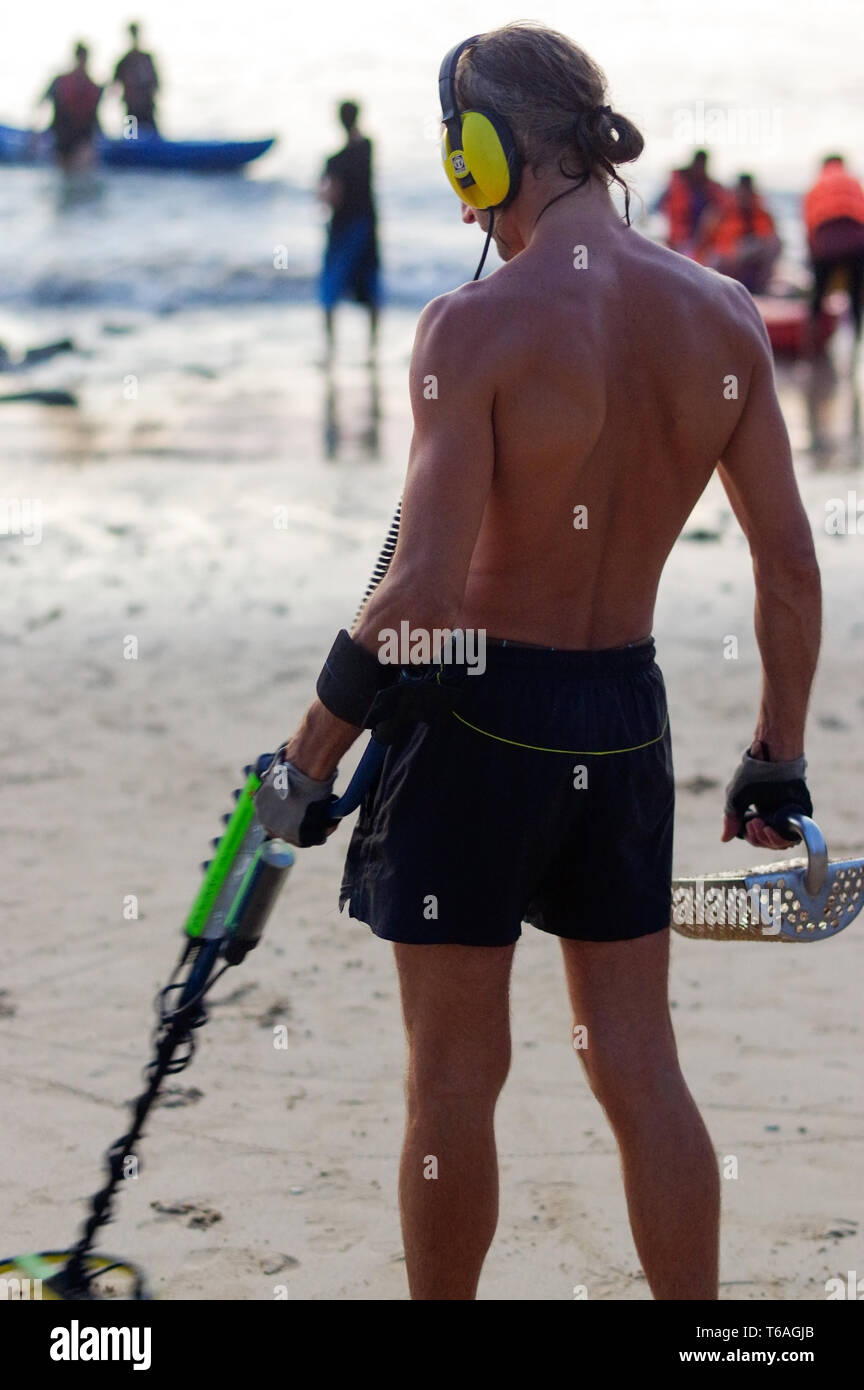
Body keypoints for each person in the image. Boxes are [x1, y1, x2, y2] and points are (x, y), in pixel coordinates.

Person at [256, 23, 821, 1300]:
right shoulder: (724, 315)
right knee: (638, 1062)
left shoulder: (478, 327)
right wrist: (776, 757)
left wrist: (303, 762)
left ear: (482, 155)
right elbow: (789, 569)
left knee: (455, 1081)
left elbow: (420, 593)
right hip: (624, 716)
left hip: (479, 726)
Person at [318, 100, 381, 354]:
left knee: (331, 287)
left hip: (343, 230)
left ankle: (330, 347)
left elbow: (332, 197)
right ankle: (372, 348)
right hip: (367, 226)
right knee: (370, 286)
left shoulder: (334, 161)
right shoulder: (367, 148)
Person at [803, 154, 864, 343]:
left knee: (818, 295)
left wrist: (813, 254)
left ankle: (810, 344)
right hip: (855, 242)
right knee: (855, 296)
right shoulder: (853, 182)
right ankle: (856, 344)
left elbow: (809, 222)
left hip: (826, 241)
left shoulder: (817, 185)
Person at [701, 173, 781, 294]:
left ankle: (760, 291)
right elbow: (705, 240)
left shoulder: (762, 214)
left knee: (775, 244)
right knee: (713, 262)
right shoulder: (720, 211)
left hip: (748, 259)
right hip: (722, 257)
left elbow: (770, 241)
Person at [39, 43, 103, 172]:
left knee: (77, 171)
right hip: (64, 135)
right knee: (69, 171)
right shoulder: (61, 82)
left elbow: (96, 116)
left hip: (82, 136)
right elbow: (42, 103)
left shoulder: (93, 87)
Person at [658, 148, 727, 257]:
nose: (701, 167)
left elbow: (724, 207)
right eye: (699, 163)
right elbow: (659, 206)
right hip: (678, 240)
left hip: (701, 242)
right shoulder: (676, 185)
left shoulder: (711, 188)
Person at [112, 22, 160, 134]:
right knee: (131, 137)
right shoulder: (124, 61)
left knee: (153, 138)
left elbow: (156, 83)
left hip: (147, 108)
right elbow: (114, 86)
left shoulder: (147, 59)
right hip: (131, 110)